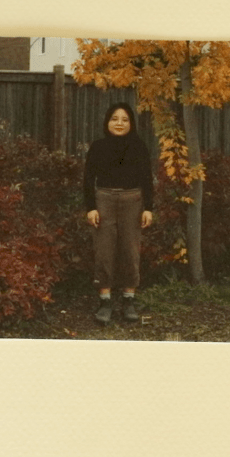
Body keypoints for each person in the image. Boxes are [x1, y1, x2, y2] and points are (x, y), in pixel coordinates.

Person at [83, 102, 154, 325]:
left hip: (133, 201)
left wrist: (148, 208)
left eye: (124, 119)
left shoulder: (139, 147)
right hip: (104, 200)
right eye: (115, 119)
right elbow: (88, 179)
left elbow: (147, 179)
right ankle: (105, 302)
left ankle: (128, 300)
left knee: (130, 251)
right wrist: (91, 208)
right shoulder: (98, 147)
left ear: (131, 123)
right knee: (104, 251)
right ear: (107, 122)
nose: (119, 123)